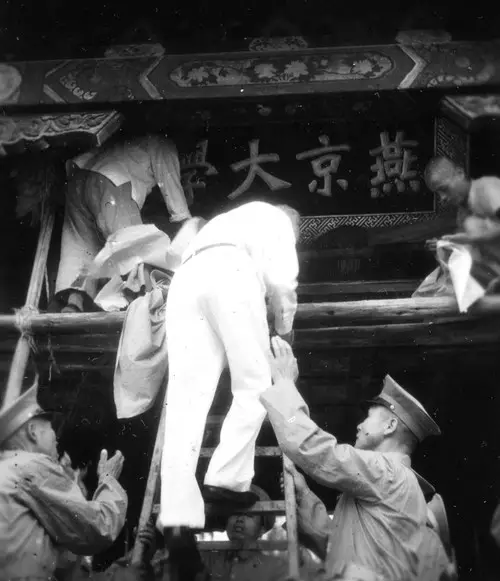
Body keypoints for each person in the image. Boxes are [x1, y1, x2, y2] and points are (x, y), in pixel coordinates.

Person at [158, 202, 300, 538]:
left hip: (185, 282)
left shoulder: (227, 221)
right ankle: (226, 480)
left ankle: (177, 510)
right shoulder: (279, 220)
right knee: (256, 385)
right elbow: (283, 284)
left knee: (186, 398)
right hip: (231, 274)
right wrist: (284, 329)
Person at [261, 336, 441, 581]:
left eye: (368, 417)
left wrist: (284, 386)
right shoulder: (388, 480)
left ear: (390, 426)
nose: (359, 425)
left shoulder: (386, 471)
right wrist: (304, 496)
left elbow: (313, 447)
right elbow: (337, 549)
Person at [0, 381, 128, 580]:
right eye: (51, 428)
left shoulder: (8, 469)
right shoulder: (31, 466)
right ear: (33, 432)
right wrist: (108, 480)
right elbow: (98, 527)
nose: (56, 438)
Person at [55, 134, 192, 312]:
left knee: (82, 251)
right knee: (136, 249)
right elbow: (174, 195)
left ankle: (74, 302)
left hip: (79, 179)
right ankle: (143, 309)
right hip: (112, 182)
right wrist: (188, 224)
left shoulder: (133, 140)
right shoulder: (164, 143)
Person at [424, 156, 500, 291]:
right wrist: (444, 245)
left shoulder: (487, 187)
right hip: (492, 278)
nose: (442, 198)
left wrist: (471, 238)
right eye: (438, 193)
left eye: (444, 189)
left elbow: (473, 239)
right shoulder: (463, 213)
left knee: (472, 225)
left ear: (460, 173)